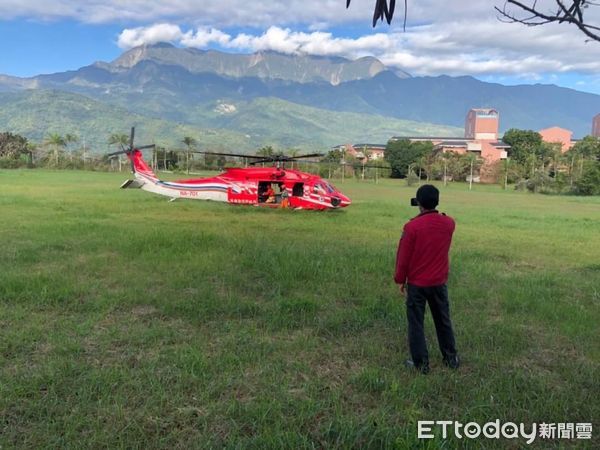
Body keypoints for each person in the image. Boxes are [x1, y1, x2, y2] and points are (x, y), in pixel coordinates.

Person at [394, 184, 459, 374]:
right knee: (443, 320)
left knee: (416, 324)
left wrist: (400, 279)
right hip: (439, 283)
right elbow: (443, 221)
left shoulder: (412, 227)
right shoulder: (449, 223)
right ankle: (451, 358)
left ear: (419, 202)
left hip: (417, 284)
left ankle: (421, 364)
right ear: (437, 201)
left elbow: (403, 258)